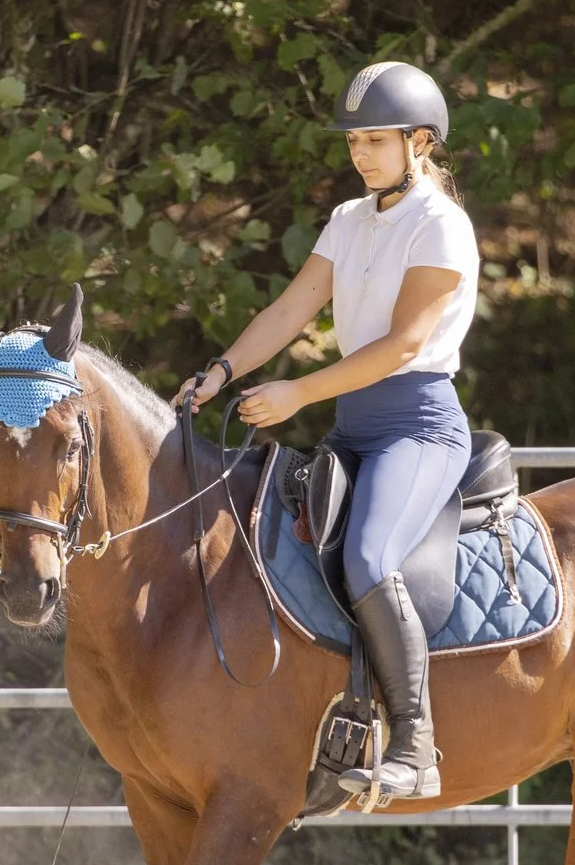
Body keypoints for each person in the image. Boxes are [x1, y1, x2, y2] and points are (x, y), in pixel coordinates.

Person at [176, 60, 479, 801]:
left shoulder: (441, 225)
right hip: (354, 427)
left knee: (371, 555)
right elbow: (289, 311)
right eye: (354, 143)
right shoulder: (349, 220)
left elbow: (405, 344)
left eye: (376, 140)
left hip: (418, 428)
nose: (361, 154)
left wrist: (297, 394)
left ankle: (416, 745)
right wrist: (219, 371)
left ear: (421, 143)